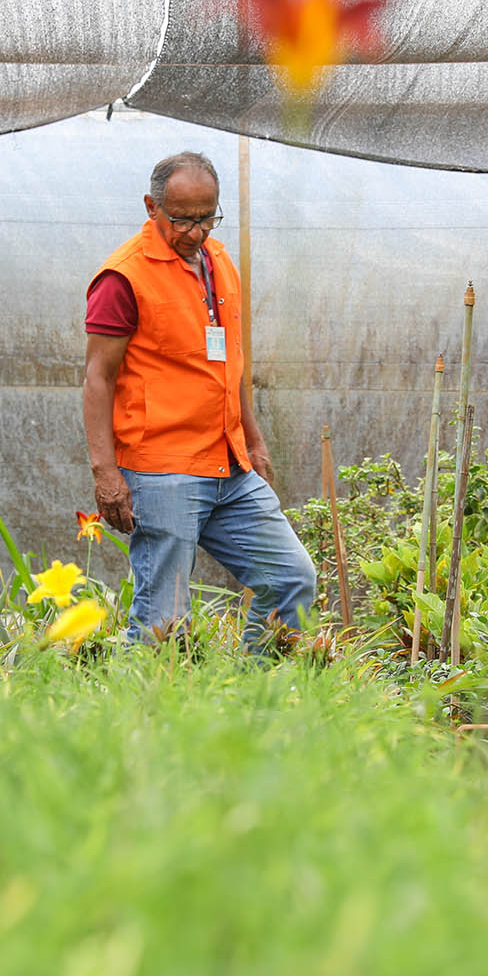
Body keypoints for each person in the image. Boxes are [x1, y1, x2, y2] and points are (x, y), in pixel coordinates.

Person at [82, 150, 317, 649]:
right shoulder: (123, 278)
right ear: (151, 206)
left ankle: (257, 703)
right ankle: (145, 722)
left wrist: (253, 440)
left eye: (206, 217)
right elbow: (97, 376)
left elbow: (230, 364)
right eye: (181, 219)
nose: (195, 231)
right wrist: (106, 473)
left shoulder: (219, 262)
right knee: (163, 622)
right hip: (163, 471)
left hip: (229, 466)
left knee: (290, 579)